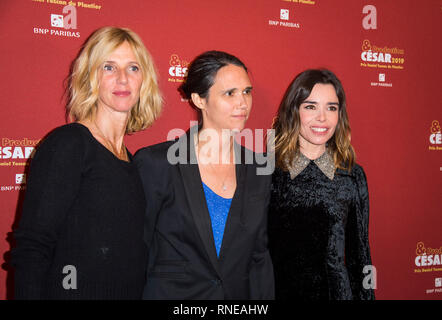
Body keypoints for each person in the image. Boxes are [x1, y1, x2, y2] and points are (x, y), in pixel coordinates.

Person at [11, 26, 162, 299]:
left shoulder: (130, 159)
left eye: (133, 68)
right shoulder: (69, 144)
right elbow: (32, 248)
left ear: (145, 80)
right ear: (90, 77)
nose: (122, 79)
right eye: (108, 67)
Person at [134, 50, 274, 299]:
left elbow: (259, 258)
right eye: (230, 93)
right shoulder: (157, 163)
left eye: (246, 92)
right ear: (199, 99)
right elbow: (135, 250)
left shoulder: (259, 169)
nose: (242, 102)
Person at [268, 69, 375, 300]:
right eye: (310, 106)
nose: (322, 118)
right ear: (293, 111)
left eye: (331, 108)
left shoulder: (352, 175)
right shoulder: (268, 172)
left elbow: (361, 255)